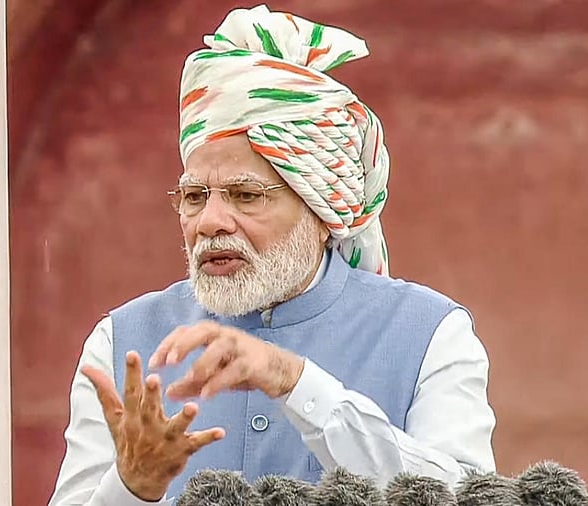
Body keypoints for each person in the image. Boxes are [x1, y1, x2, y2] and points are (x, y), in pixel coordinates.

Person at [49, 5, 496, 505]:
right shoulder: (122, 344)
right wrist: (133, 486)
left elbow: (468, 497)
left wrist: (294, 382)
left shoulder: (431, 335)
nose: (210, 222)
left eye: (245, 195)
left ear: (322, 211)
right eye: (194, 197)